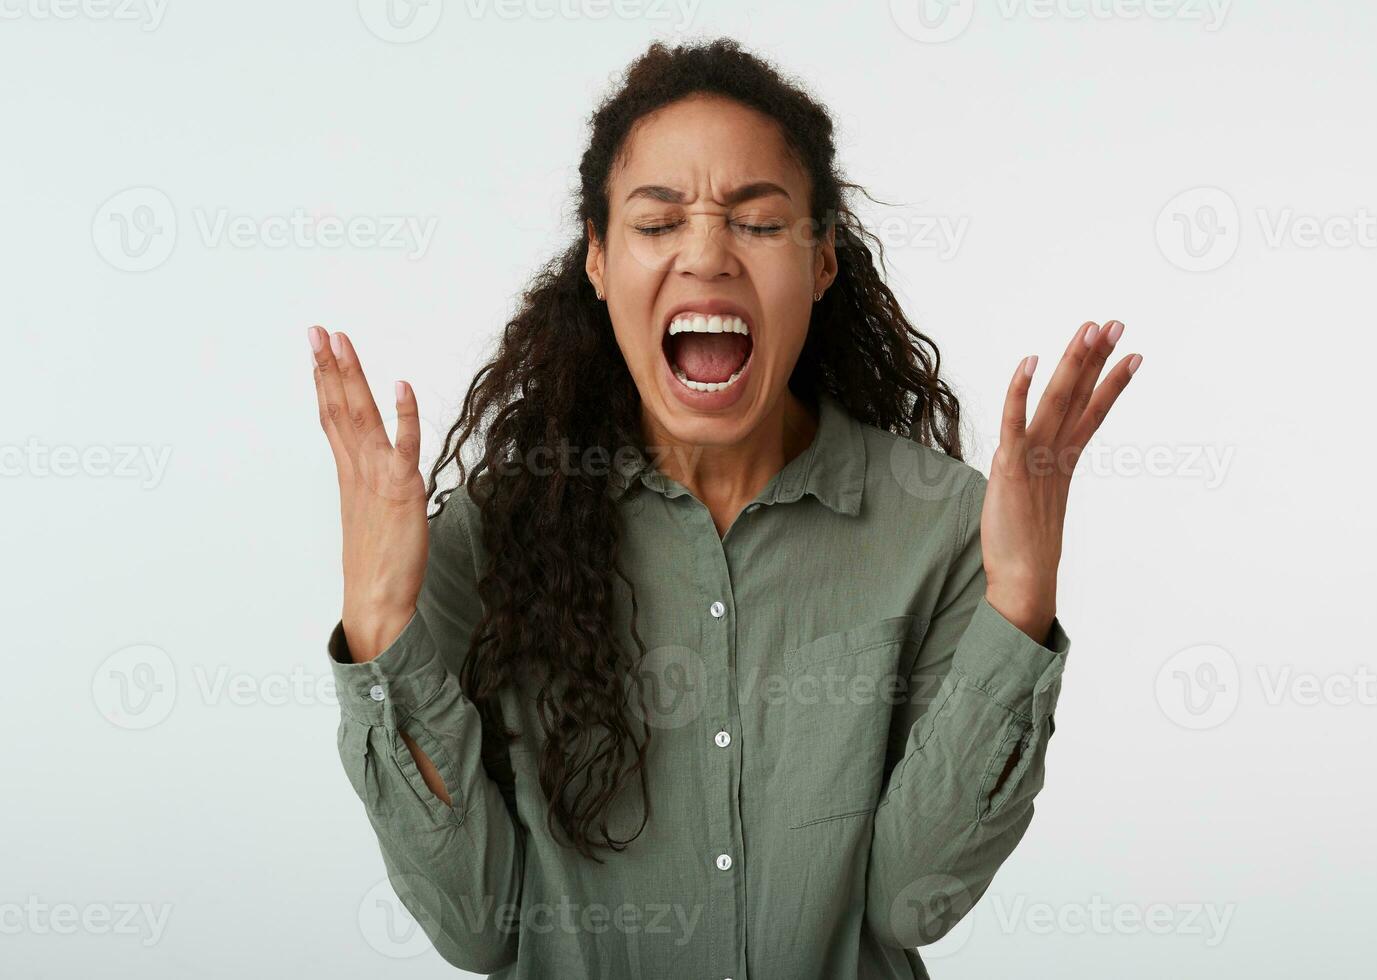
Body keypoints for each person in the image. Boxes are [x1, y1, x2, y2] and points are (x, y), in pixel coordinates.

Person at [307, 37, 1139, 980]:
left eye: (757, 221)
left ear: (822, 262)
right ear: (597, 259)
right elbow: (478, 930)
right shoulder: (491, 541)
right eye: (657, 224)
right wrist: (380, 635)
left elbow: (915, 898)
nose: (706, 254)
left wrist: (1020, 603)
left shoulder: (942, 528)